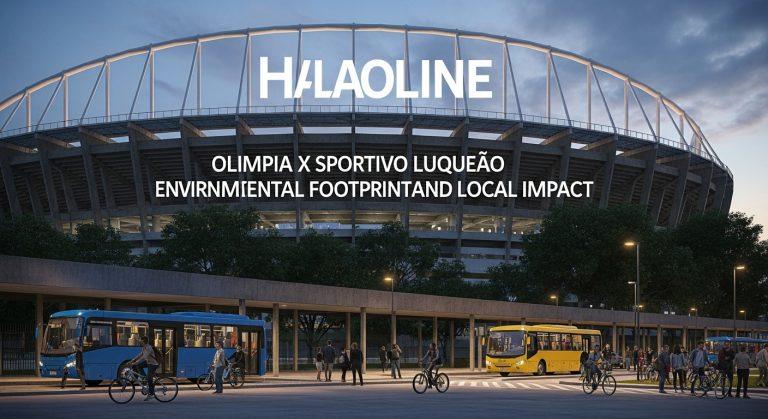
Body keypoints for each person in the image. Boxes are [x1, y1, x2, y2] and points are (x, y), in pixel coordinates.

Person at [128, 336, 160, 401]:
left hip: (153, 364)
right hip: (148, 363)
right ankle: (143, 377)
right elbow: (140, 355)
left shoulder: (149, 348)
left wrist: (135, 362)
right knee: (138, 366)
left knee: (149, 378)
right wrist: (132, 361)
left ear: (143, 341)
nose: (140, 342)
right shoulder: (144, 347)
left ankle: (151, 394)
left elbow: (144, 357)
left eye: (141, 341)